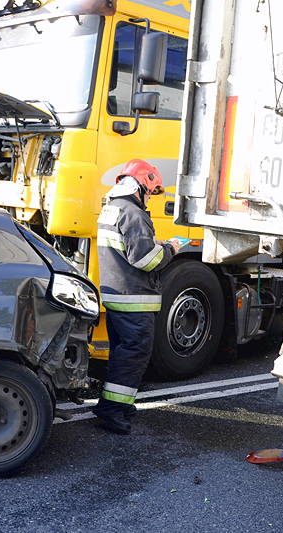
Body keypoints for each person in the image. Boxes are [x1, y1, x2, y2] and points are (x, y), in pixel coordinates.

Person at [92, 159, 179, 434]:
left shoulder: (112, 208)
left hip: (117, 296)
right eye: (150, 193)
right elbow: (145, 259)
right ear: (140, 186)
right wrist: (171, 250)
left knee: (121, 355)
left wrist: (157, 246)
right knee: (133, 356)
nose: (150, 199)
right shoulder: (133, 213)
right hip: (134, 300)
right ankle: (112, 411)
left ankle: (116, 403)